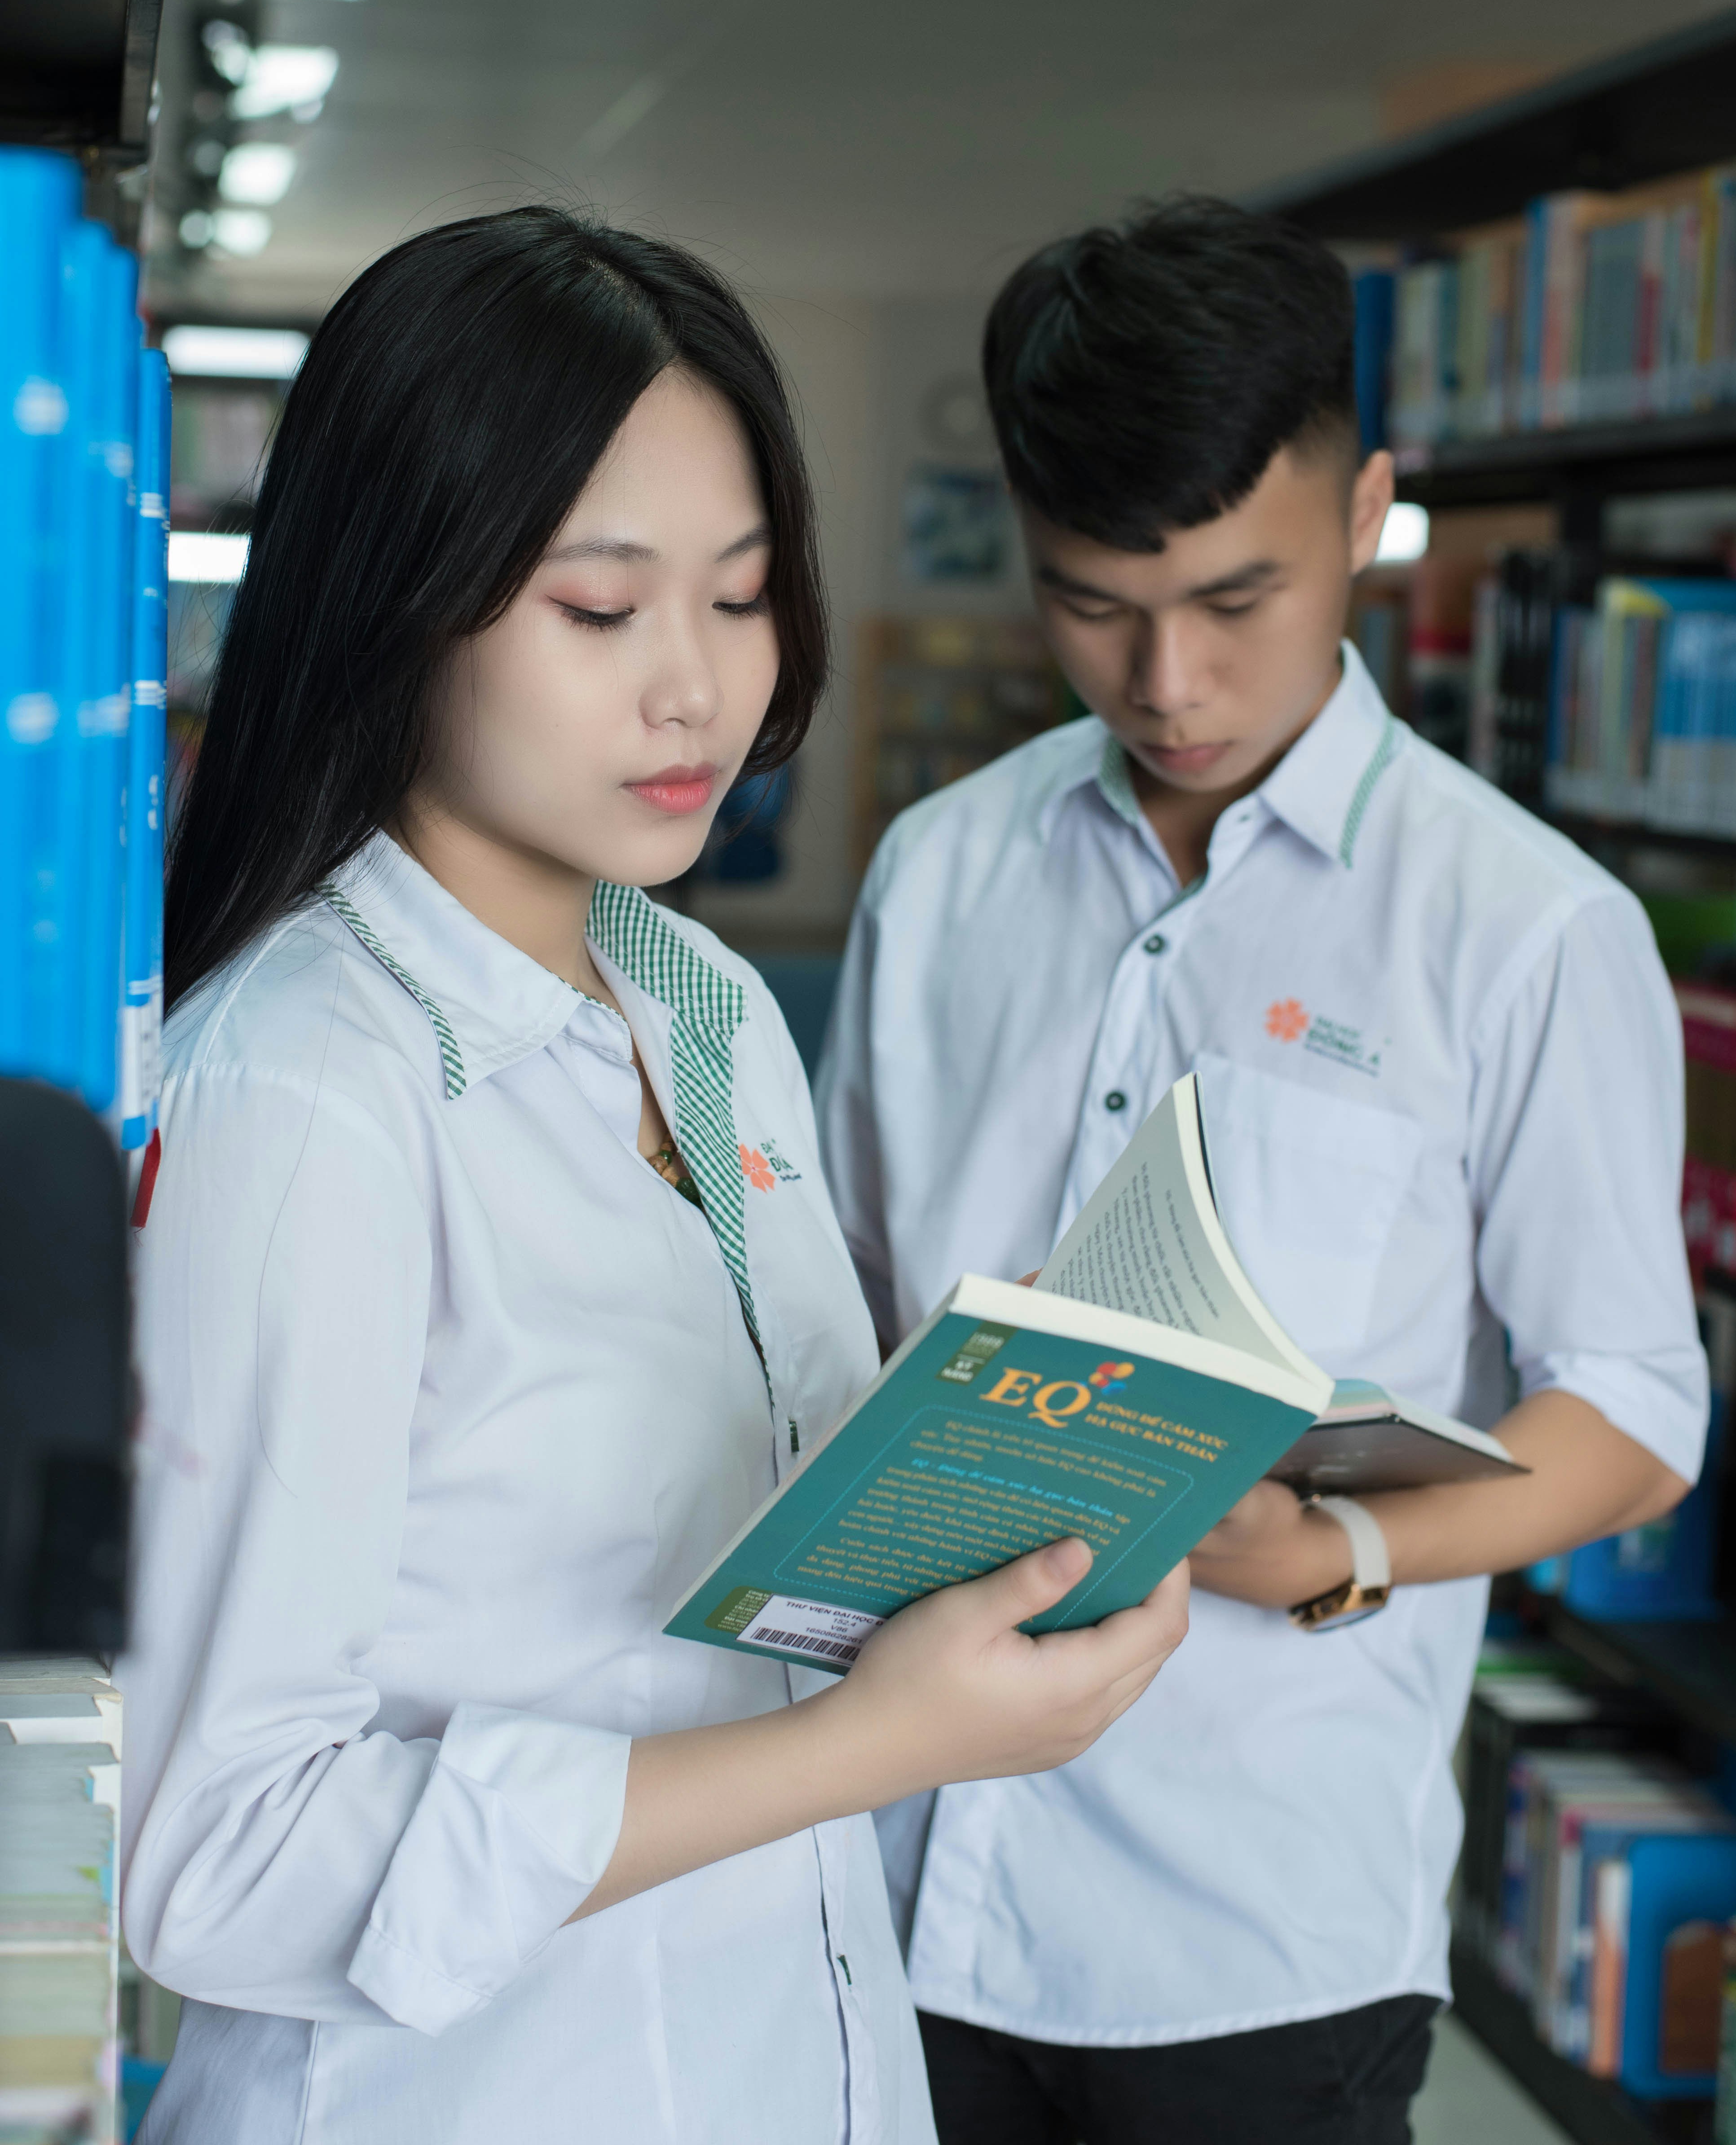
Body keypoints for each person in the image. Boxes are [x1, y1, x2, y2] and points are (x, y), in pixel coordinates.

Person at [120, 207, 1190, 2145]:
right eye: (600, 611)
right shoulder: (305, 1092)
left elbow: (722, 1588)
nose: (695, 691)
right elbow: (215, 1857)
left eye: (744, 593)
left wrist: (1018, 1519)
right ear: (397, 594)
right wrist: (876, 1743)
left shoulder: (696, 996)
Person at [815, 195, 1709, 2145]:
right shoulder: (941, 869)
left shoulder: (1518, 928)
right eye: (1088, 603)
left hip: (1245, 1933)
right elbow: (847, 1308)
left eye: (1235, 600)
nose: (1166, 683)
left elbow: (1633, 1411)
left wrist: (1338, 1552)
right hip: (874, 1868)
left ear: (1370, 514)